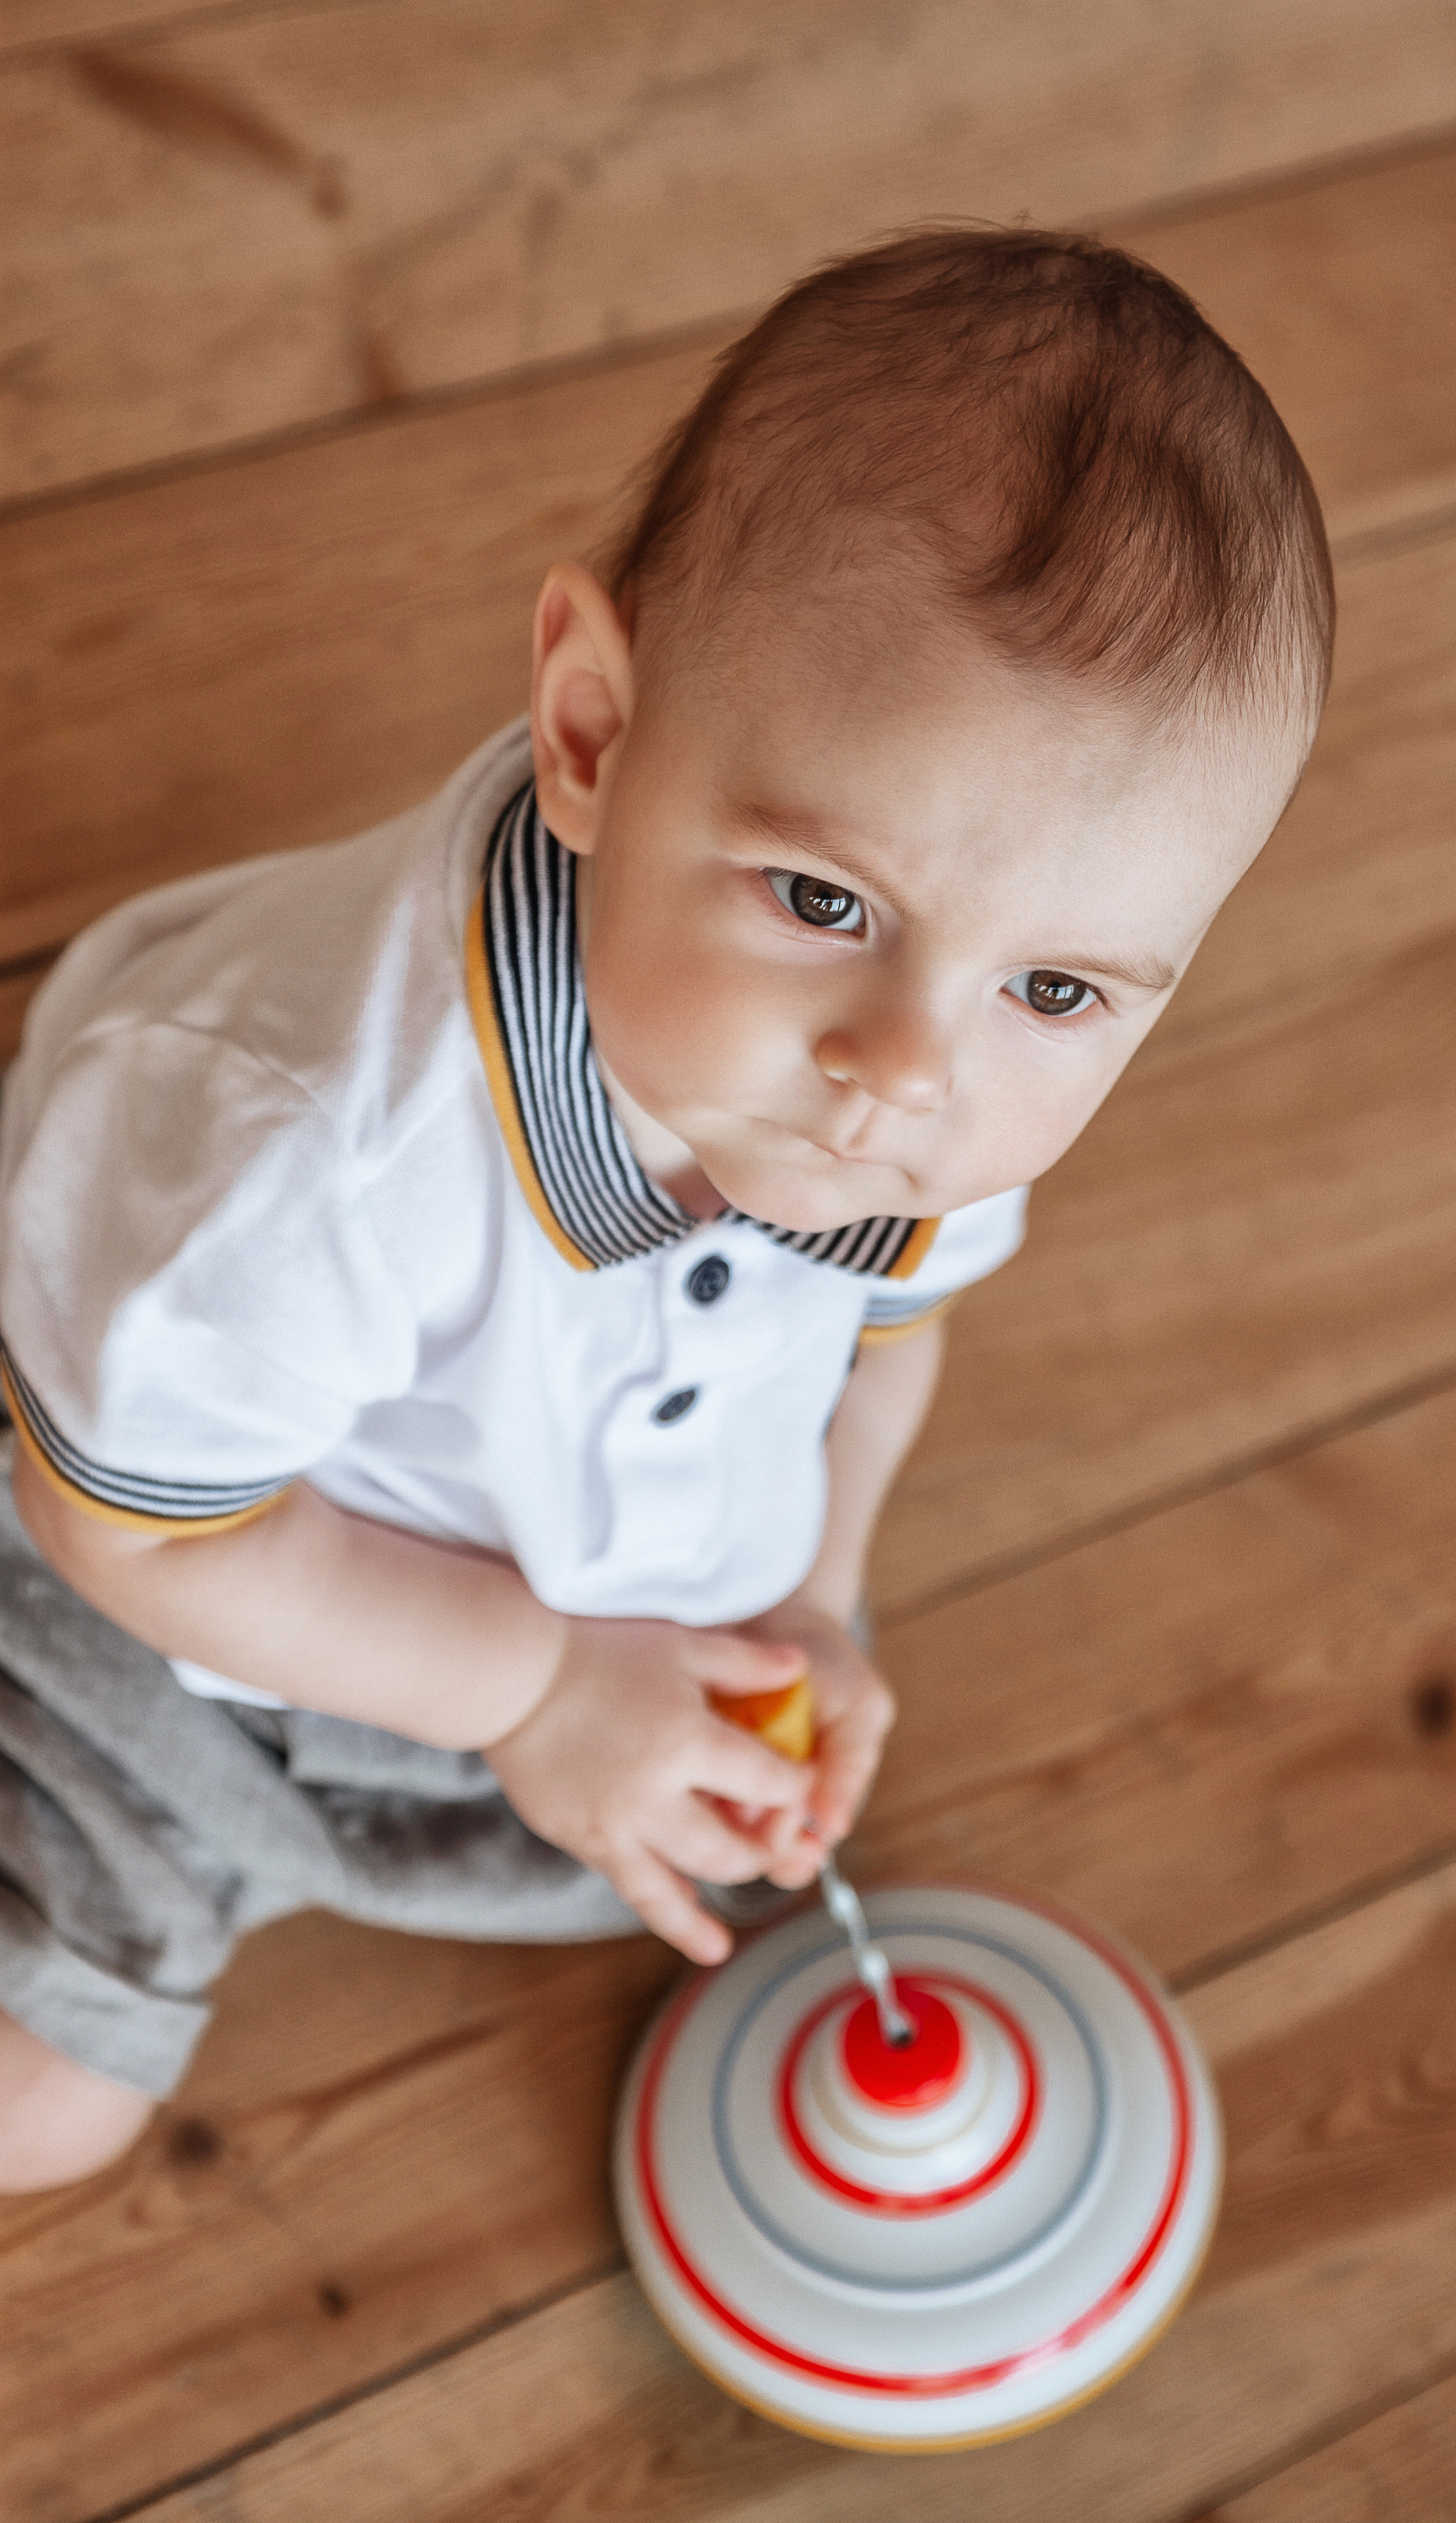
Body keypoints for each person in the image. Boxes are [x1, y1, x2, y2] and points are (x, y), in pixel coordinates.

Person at [0, 227, 1332, 2190]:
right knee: (50, 2111)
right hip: (166, 1557)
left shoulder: (894, 1112)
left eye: (1056, 991)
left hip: (486, 1580)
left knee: (684, 1833)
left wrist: (811, 1591)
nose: (907, 1070)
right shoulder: (301, 1155)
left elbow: (891, 1333)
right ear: (594, 736)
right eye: (824, 902)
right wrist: (545, 1687)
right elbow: (133, 1535)